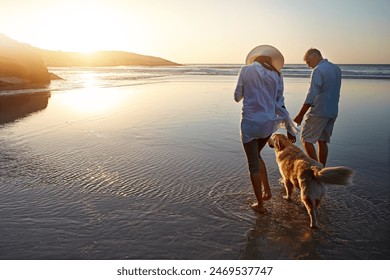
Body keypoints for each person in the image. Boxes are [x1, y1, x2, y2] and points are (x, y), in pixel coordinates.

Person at [234, 45, 298, 213]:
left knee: (253, 164)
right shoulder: (277, 76)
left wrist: (249, 91)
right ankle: (267, 191)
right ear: (271, 61)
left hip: (250, 124)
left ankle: (260, 205)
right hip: (267, 126)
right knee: (257, 155)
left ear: (254, 59)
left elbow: (236, 97)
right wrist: (290, 127)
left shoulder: (246, 70)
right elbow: (280, 103)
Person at [293, 48, 342, 167]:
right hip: (332, 111)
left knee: (306, 139)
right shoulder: (336, 69)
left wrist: (300, 115)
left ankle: (317, 170)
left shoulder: (318, 70)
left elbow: (311, 94)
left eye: (308, 62)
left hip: (319, 111)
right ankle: (323, 170)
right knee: (322, 141)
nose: (309, 66)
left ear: (314, 56)